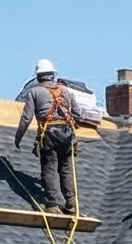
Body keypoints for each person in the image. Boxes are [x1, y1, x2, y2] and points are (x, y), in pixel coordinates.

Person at [14, 59, 81, 213]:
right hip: (67, 133)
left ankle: (52, 204)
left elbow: (26, 118)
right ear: (52, 75)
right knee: (66, 168)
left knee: (49, 167)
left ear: (38, 77)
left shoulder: (35, 92)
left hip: (49, 133)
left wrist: (18, 138)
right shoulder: (66, 91)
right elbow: (78, 114)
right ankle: (71, 204)